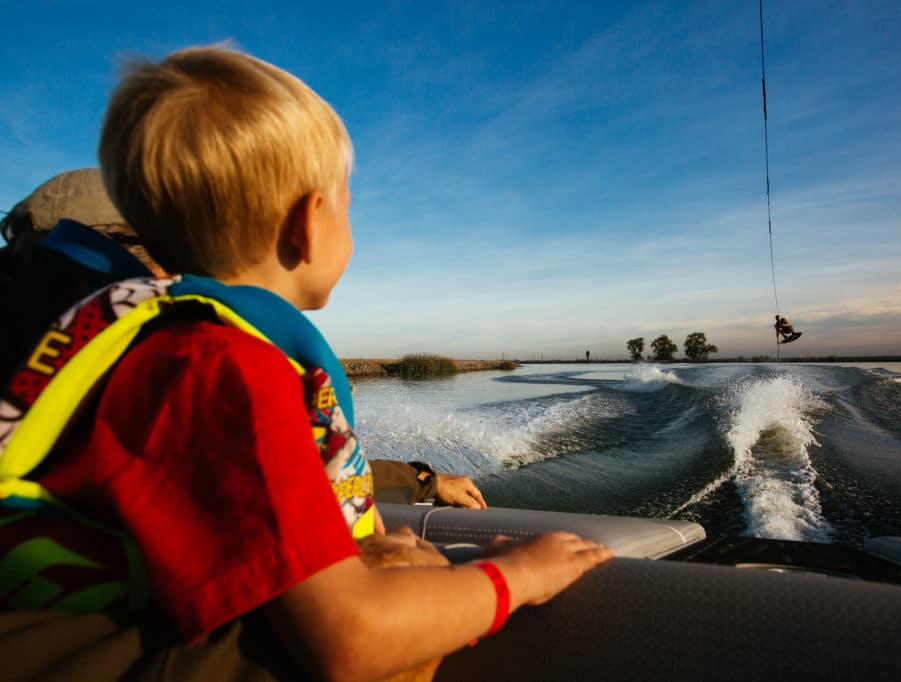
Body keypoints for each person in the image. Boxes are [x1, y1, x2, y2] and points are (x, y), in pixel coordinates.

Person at [0, 46, 611, 680]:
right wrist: (519, 575)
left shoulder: (176, 348)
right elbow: (349, 637)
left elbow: (284, 479)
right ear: (309, 224)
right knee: (415, 569)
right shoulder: (223, 366)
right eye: (347, 202)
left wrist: (412, 500)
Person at [0, 168, 486, 510]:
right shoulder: (170, 355)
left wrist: (422, 479)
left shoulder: (57, 347)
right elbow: (295, 475)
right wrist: (423, 481)